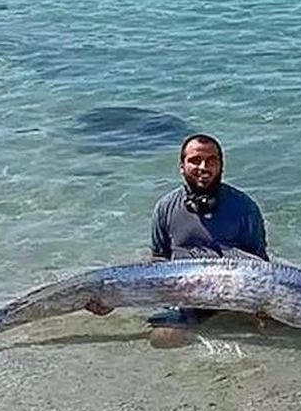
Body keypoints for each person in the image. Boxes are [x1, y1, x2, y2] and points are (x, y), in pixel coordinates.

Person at [87, 133, 270, 348]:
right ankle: (206, 341)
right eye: (195, 160)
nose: (204, 167)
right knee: (163, 339)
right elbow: (158, 262)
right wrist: (114, 299)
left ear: (221, 165)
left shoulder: (245, 208)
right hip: (186, 299)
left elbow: (260, 266)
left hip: (236, 297)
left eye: (212, 160)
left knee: (277, 327)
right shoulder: (165, 207)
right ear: (182, 166)